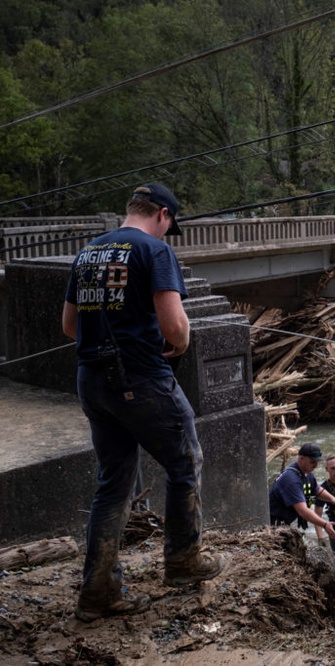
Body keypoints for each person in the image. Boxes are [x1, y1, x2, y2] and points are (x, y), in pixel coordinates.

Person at [62, 183, 225, 622]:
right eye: (169, 225)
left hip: (91, 381)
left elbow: (68, 325)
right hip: (140, 378)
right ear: (163, 215)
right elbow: (174, 326)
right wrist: (180, 340)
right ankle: (183, 560)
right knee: (185, 459)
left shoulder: (89, 252)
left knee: (113, 483)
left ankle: (98, 590)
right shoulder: (154, 251)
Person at [269, 442, 335, 542]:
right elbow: (302, 511)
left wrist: (331, 498)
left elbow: (316, 489)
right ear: (301, 458)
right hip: (272, 523)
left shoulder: (306, 472)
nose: (315, 465)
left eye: (317, 462)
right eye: (312, 462)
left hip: (285, 521)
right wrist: (325, 524)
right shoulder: (291, 480)